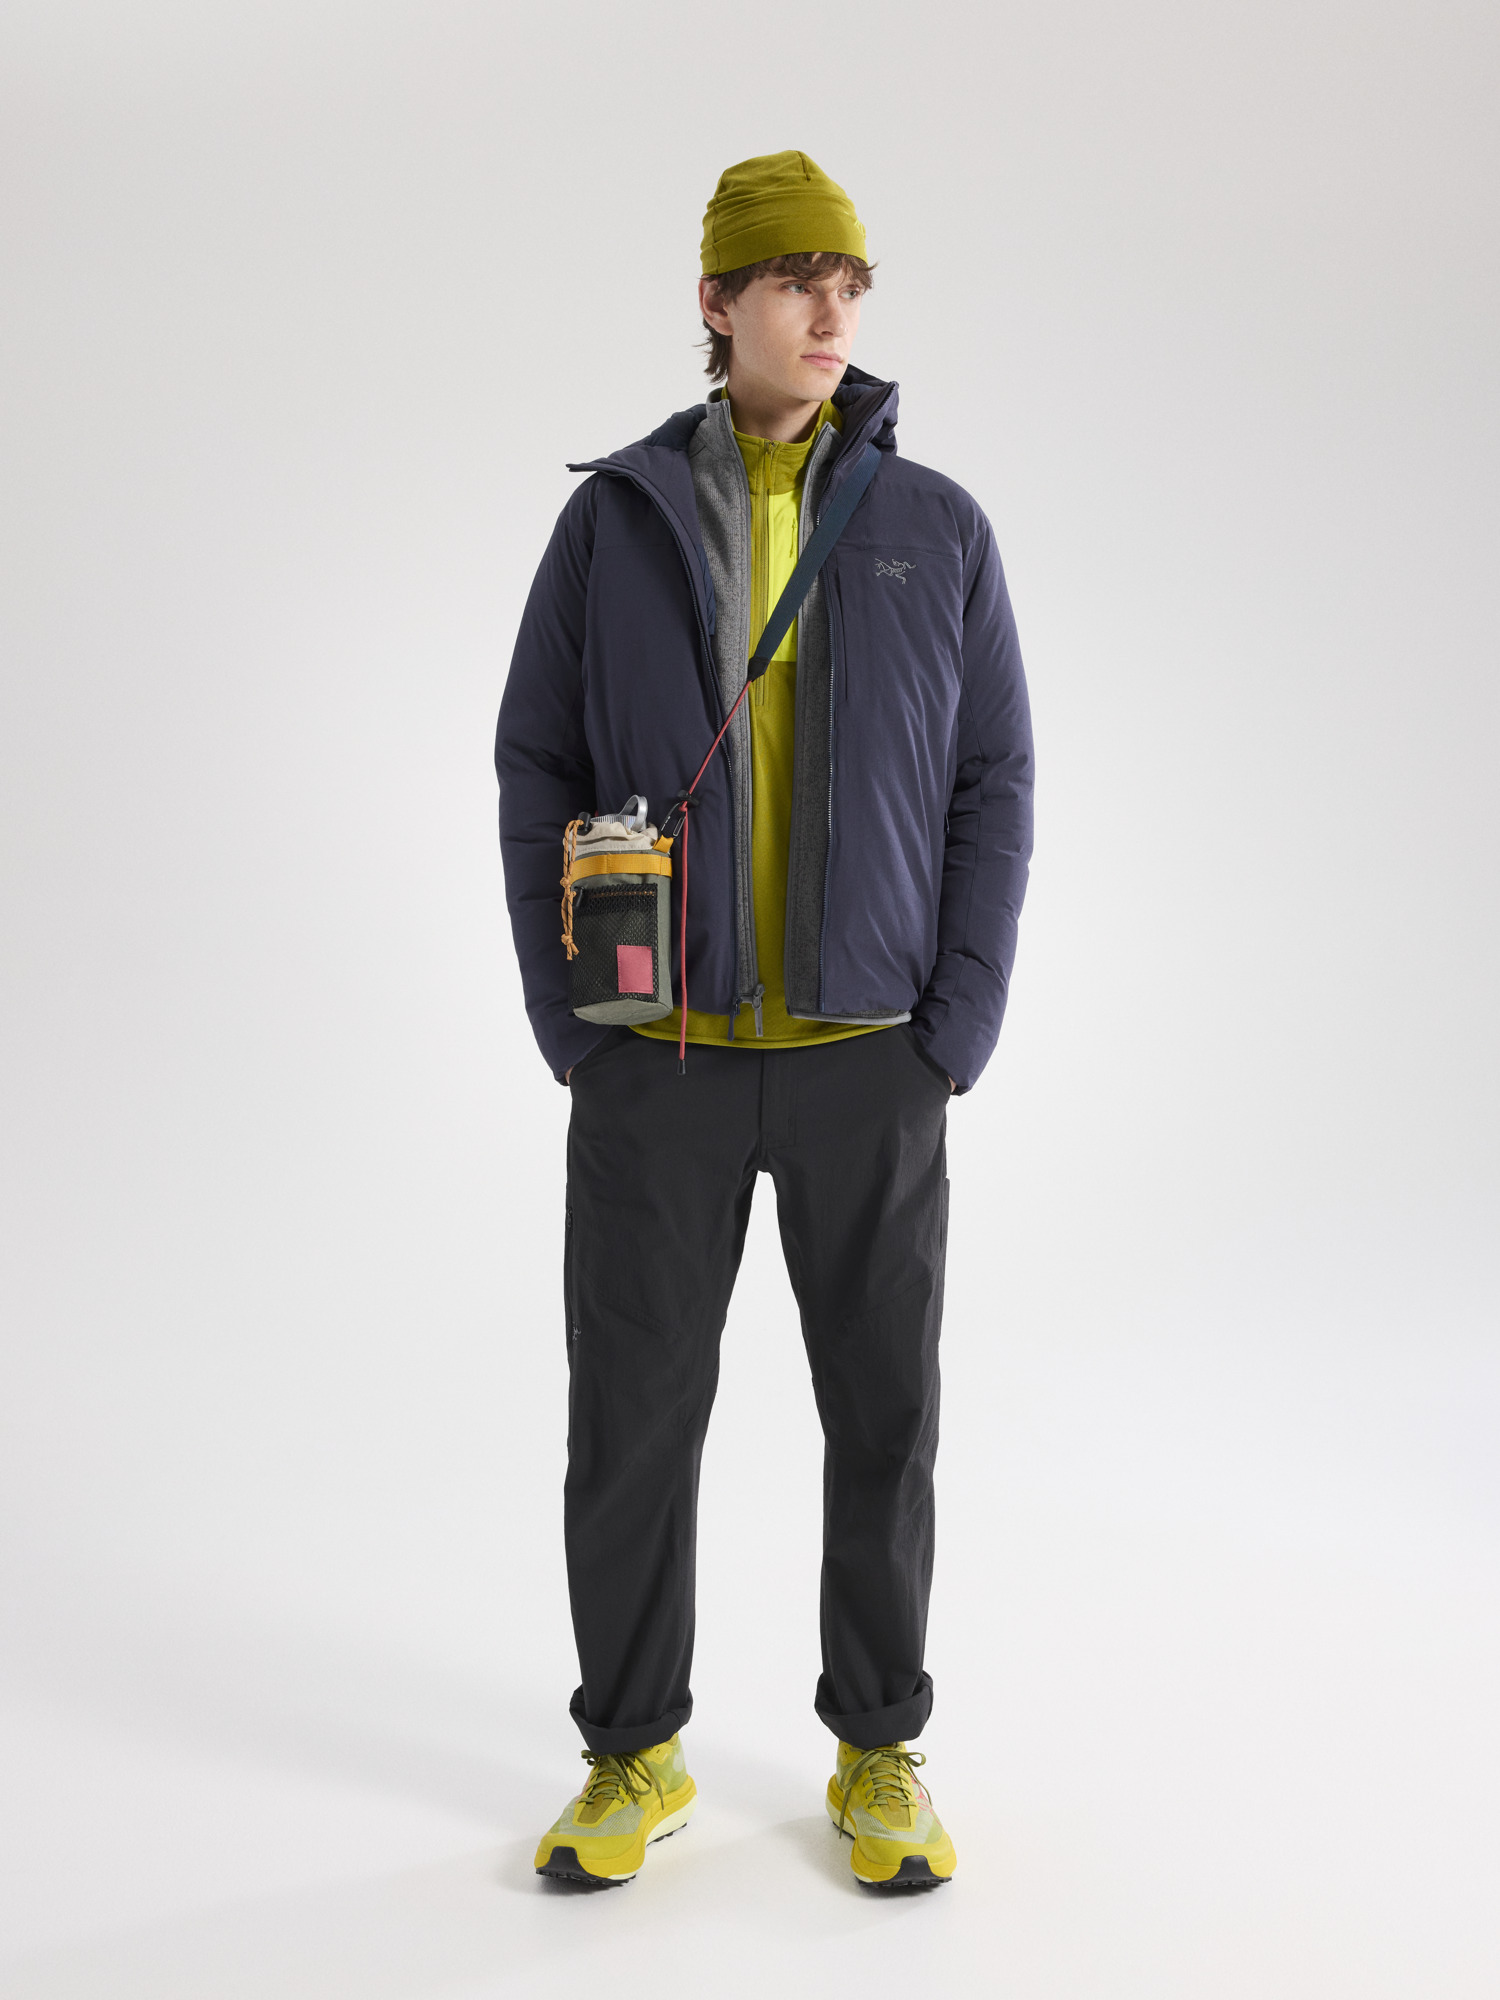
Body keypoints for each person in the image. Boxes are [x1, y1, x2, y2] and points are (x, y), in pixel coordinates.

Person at [496, 150, 1033, 1890]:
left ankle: (879, 1750)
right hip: (655, 1062)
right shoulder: (616, 521)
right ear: (717, 302)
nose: (829, 312)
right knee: (630, 1424)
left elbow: (993, 779)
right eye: (794, 279)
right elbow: (535, 764)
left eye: (849, 283)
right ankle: (630, 1752)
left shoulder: (937, 527)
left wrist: (955, 1021)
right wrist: (573, 1021)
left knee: (883, 1420)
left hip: (873, 1061)